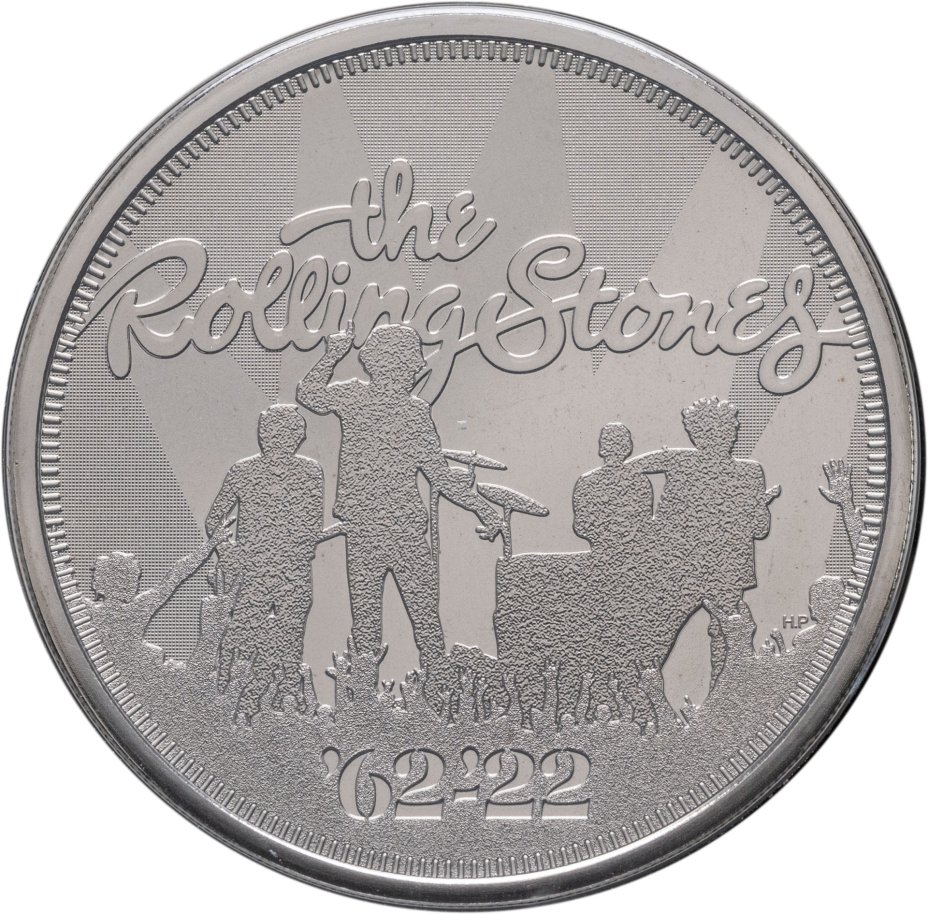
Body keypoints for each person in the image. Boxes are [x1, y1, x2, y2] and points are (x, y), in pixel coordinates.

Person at [296, 322, 502, 671]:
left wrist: (484, 508)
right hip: (379, 533)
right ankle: (378, 694)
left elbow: (438, 475)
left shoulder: (407, 410)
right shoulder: (374, 402)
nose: (419, 366)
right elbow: (308, 395)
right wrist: (334, 354)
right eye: (413, 360)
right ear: (395, 364)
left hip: (393, 532)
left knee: (408, 625)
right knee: (395, 626)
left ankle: (423, 691)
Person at [629, 397, 779, 690]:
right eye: (727, 427)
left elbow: (759, 529)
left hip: (700, 572)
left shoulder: (682, 463)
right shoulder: (745, 472)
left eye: (731, 427)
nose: (732, 432)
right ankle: (648, 692)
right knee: (715, 637)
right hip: (704, 572)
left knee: (711, 637)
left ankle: (649, 693)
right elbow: (759, 528)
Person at [205, 404, 325, 723]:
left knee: (289, 643)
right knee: (243, 639)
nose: (288, 440)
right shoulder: (243, 471)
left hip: (293, 574)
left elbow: (312, 526)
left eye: (293, 434)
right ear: (265, 435)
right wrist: (227, 552)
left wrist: (296, 548)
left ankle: (283, 705)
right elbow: (215, 519)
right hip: (252, 575)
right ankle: (232, 703)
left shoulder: (310, 472)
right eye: (277, 433)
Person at [90, 517, 234, 660]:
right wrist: (212, 543)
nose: (135, 583)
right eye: (129, 577)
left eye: (134, 577)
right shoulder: (136, 610)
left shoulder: (90, 612)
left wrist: (212, 543)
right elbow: (177, 574)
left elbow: (178, 573)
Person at [572, 421, 653, 555]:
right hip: (631, 555)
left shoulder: (586, 481)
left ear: (602, 448)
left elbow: (581, 525)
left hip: (603, 553)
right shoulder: (640, 482)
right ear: (627, 447)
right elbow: (645, 522)